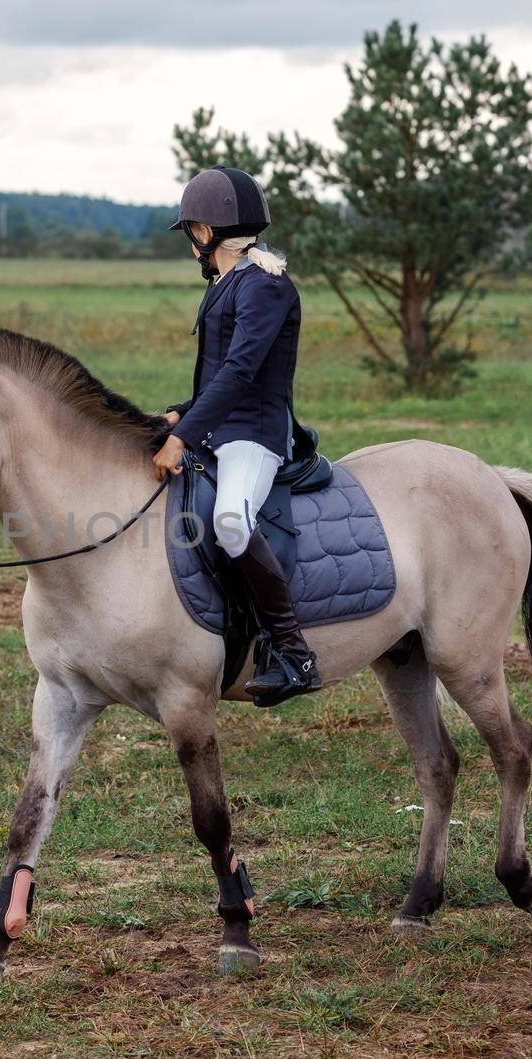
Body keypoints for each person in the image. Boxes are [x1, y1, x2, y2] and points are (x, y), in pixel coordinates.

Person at [151, 165, 320, 705]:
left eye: (192, 233)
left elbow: (242, 372)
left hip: (254, 435)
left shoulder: (265, 286)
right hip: (217, 427)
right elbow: (217, 372)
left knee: (228, 521)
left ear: (206, 232)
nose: (192, 244)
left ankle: (293, 653)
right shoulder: (228, 283)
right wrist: (183, 414)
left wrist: (184, 436)